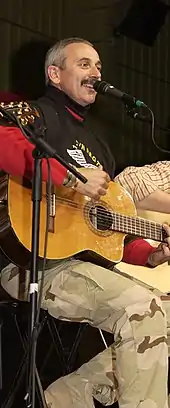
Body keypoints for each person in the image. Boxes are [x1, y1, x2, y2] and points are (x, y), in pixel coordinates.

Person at [0, 37, 170, 408]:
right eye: (84, 64)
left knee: (167, 313)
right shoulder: (32, 114)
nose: (95, 73)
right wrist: (71, 177)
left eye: (98, 67)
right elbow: (3, 143)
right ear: (55, 74)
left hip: (79, 264)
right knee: (143, 308)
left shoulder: (99, 147)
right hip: (28, 261)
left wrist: (149, 255)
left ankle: (68, 396)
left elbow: (106, 233)